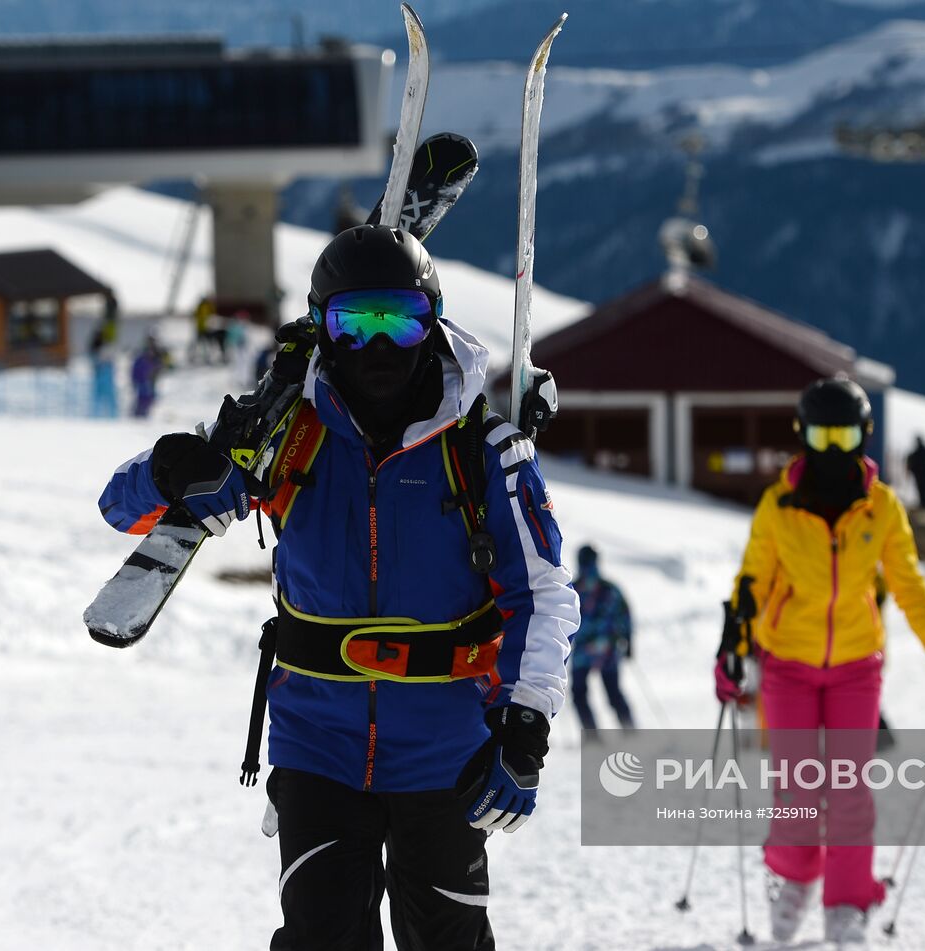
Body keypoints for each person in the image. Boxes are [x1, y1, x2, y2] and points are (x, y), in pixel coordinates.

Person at [96, 225, 580, 950]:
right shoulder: (285, 430)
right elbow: (119, 505)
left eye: (403, 320)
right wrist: (173, 466)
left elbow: (541, 597)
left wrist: (524, 725)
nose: (379, 348)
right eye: (355, 325)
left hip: (446, 750)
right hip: (316, 745)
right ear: (323, 330)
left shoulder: (482, 448)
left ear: (435, 322)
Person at [716, 376, 925, 945]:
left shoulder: (881, 508)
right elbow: (752, 585)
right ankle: (793, 880)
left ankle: (847, 904)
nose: (833, 449)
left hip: (856, 666)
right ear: (802, 435)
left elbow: (910, 589)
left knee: (848, 791)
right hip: (787, 663)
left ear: (863, 435)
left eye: (844, 436)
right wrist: (733, 648)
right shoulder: (779, 506)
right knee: (795, 790)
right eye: (821, 435)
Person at [569, 543, 636, 736]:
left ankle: (593, 736)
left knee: (580, 695)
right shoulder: (609, 589)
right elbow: (626, 616)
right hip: (608, 650)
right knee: (614, 694)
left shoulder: (573, 591)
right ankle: (630, 731)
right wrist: (629, 642)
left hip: (583, 651)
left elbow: (562, 619)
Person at [88, 296, 119, 418]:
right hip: (102, 365)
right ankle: (98, 416)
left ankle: (111, 417)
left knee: (106, 394)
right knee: (101, 394)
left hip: (105, 365)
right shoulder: (102, 333)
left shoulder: (107, 331)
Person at [129, 336, 163, 418]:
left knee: (149, 397)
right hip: (143, 380)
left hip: (150, 380)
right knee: (142, 397)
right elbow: (136, 369)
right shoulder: (142, 357)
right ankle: (138, 414)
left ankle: (143, 414)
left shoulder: (155, 355)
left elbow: (158, 366)